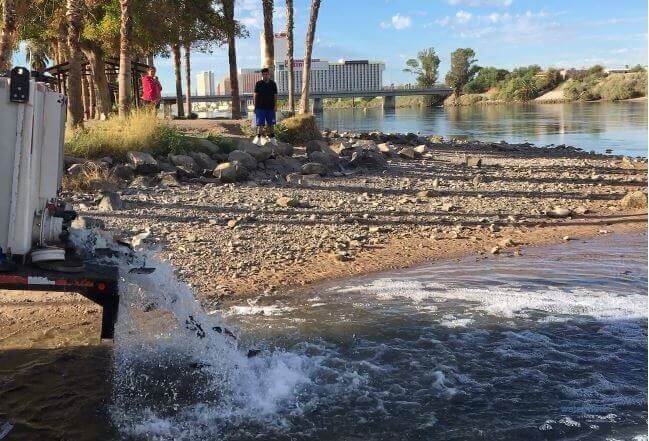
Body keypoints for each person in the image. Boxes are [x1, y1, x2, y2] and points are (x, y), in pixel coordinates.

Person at [253, 67, 278, 146]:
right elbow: (255, 95)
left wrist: (275, 105)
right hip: (260, 108)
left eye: (266, 74)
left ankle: (272, 139)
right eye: (263, 74)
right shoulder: (258, 83)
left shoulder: (273, 84)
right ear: (262, 75)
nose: (265, 76)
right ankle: (258, 139)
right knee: (260, 124)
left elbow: (275, 95)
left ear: (269, 75)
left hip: (270, 107)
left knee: (271, 124)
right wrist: (255, 106)